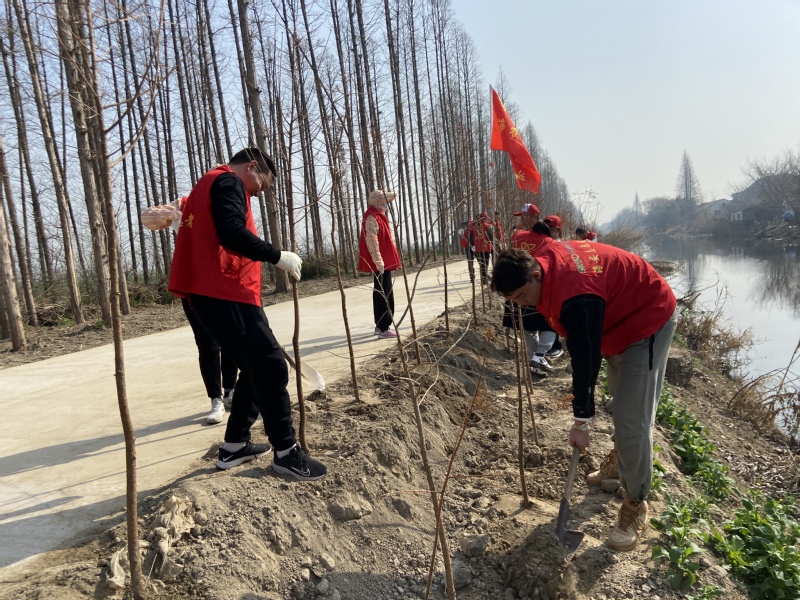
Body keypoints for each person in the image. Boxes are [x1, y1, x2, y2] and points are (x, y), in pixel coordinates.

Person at [490, 244, 677, 552]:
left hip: (647, 317)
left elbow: (585, 358)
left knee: (632, 418)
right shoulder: (545, 268)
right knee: (619, 397)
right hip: (614, 318)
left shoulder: (577, 296)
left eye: (522, 296)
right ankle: (621, 460)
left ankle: (636, 503)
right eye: (514, 301)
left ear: (536, 275)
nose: (521, 305)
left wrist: (581, 421)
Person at [169, 148, 327, 481]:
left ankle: (235, 446)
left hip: (219, 294)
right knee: (270, 365)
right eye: (262, 184)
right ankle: (286, 453)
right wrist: (276, 255)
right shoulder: (228, 182)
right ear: (252, 166)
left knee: (255, 368)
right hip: (223, 293)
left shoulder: (210, 182)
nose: (258, 192)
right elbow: (231, 231)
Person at [505, 205, 559, 373]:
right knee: (549, 323)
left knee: (528, 325)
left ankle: (535, 361)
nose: (523, 219)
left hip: (520, 288)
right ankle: (539, 356)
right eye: (521, 216)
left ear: (535, 217)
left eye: (526, 216)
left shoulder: (516, 238)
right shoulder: (548, 241)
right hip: (541, 287)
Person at [358, 190, 402, 339]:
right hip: (381, 263)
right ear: (377, 202)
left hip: (384, 262)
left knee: (382, 292)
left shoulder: (378, 215)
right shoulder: (372, 216)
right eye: (384, 202)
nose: (386, 205)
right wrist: (379, 261)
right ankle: (383, 328)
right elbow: (372, 240)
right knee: (384, 294)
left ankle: (380, 326)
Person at [473, 212, 494, 284]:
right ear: (484, 219)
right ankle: (484, 280)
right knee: (485, 265)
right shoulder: (487, 226)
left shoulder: (475, 227)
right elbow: (492, 238)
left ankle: (484, 279)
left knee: (482, 265)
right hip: (485, 248)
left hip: (477, 249)